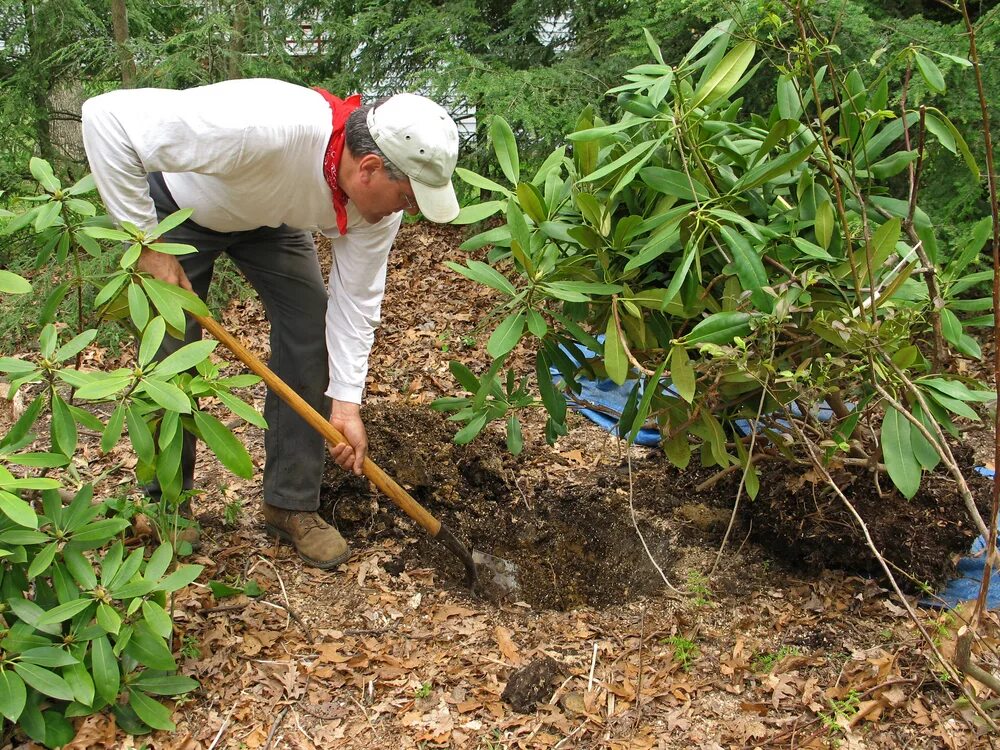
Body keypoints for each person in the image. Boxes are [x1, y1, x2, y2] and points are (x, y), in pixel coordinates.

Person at [81, 78, 460, 569]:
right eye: (407, 197)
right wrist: (147, 245)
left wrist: (346, 405)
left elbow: (356, 303)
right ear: (369, 168)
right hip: (181, 210)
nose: (407, 211)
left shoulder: (376, 211)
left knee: (311, 329)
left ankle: (289, 504)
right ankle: (168, 503)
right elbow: (104, 118)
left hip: (269, 219)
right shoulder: (262, 126)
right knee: (169, 348)